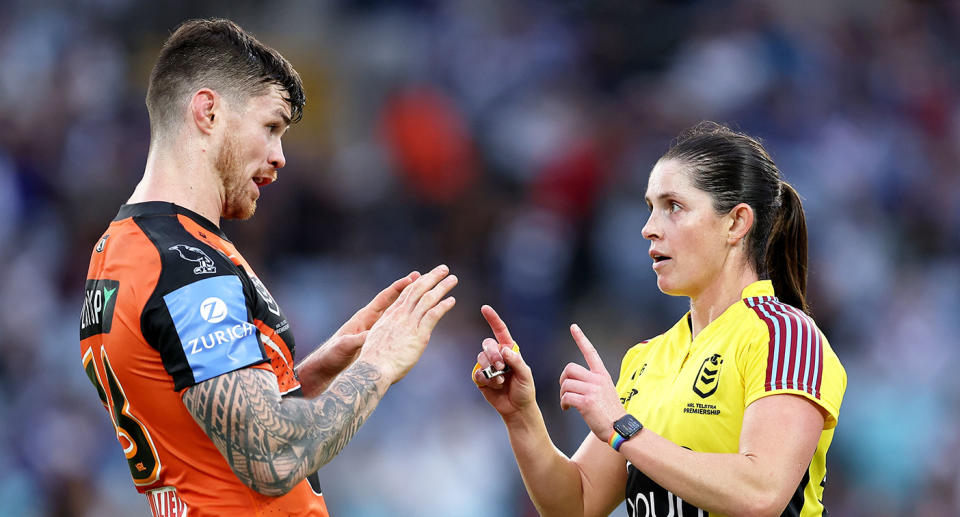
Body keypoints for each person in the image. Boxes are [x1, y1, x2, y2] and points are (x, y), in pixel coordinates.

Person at [79, 18, 457, 517]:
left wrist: (313, 375)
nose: (279, 157)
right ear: (208, 112)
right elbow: (270, 458)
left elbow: (200, 429)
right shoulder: (186, 267)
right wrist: (378, 365)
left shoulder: (122, 249)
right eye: (270, 127)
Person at [473, 122, 846, 517]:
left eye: (674, 207)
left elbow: (760, 493)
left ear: (736, 223)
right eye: (651, 208)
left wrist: (624, 430)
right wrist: (522, 416)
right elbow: (576, 505)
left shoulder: (784, 335)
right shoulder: (647, 359)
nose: (649, 229)